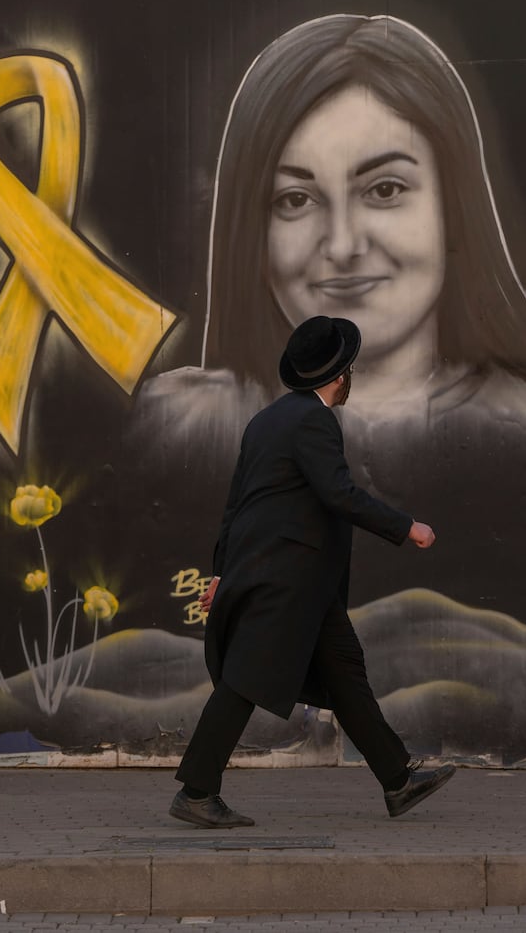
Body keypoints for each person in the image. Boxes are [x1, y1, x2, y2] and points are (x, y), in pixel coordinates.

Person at [133, 14, 526, 463]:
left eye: (384, 190)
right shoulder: (181, 426)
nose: (342, 245)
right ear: (251, 234)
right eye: (295, 199)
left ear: (454, 207)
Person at [169, 314, 455, 828]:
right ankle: (196, 791)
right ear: (341, 375)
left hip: (298, 584)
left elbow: (236, 506)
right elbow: (338, 493)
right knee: (243, 681)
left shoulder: (267, 420)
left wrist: (221, 572)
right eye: (352, 370)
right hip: (285, 581)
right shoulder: (313, 422)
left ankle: (397, 780)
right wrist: (406, 526)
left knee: (346, 673)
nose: (352, 379)